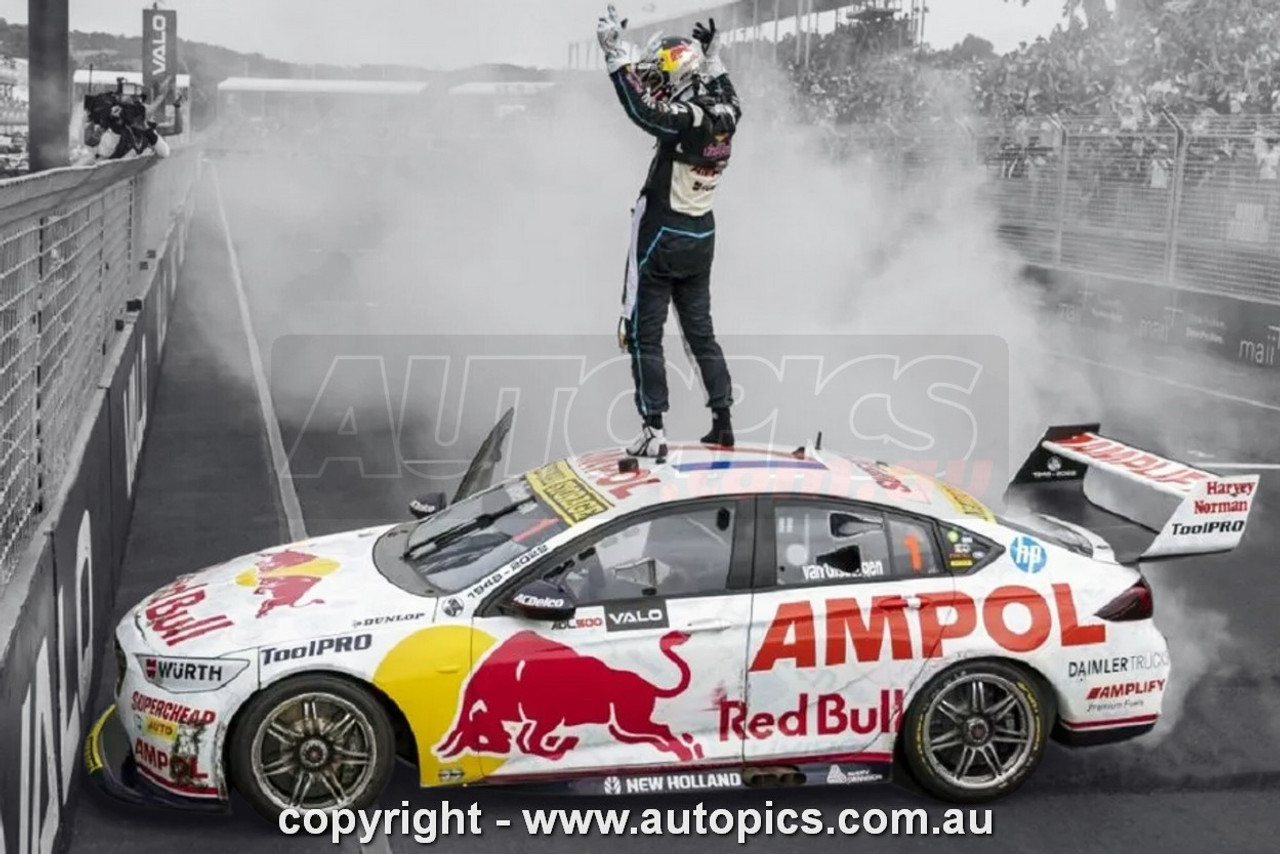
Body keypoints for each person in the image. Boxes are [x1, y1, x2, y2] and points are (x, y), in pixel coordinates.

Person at [597, 5, 739, 458]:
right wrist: (714, 61)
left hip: (661, 235)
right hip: (702, 238)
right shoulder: (728, 113)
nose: (656, 78)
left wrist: (615, 58)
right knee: (701, 333)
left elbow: (645, 110)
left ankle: (653, 429)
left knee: (644, 333)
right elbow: (726, 95)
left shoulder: (688, 118)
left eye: (662, 72)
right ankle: (723, 421)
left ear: (679, 76)